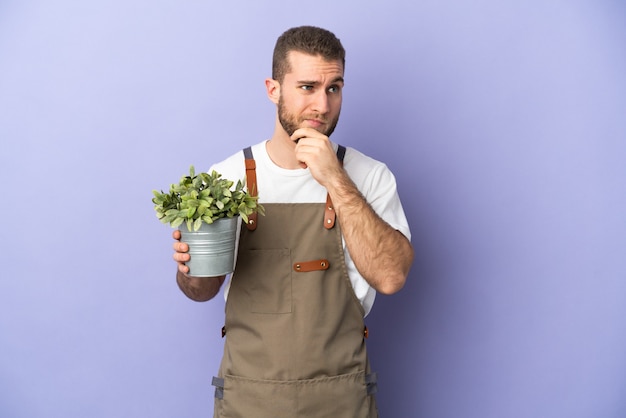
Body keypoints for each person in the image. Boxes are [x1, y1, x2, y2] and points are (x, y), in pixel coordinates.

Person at [171, 25, 414, 418]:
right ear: (273, 90)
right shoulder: (226, 179)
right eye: (307, 87)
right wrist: (189, 267)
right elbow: (200, 291)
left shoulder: (369, 176)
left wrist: (335, 177)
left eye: (334, 88)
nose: (322, 105)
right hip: (248, 402)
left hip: (342, 401)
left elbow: (391, 277)